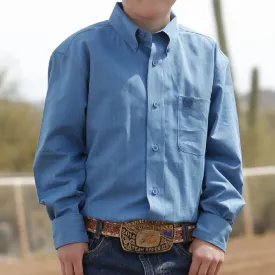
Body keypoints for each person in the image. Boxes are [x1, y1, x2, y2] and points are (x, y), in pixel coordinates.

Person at [33, 1, 246, 274]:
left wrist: (214, 230)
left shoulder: (210, 58)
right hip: (99, 253)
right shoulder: (78, 52)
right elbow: (59, 149)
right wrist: (67, 226)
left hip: (188, 255)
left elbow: (223, 156)